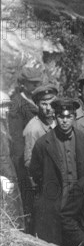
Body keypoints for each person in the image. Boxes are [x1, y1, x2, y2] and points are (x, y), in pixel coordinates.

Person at [30, 99, 84, 246]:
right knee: (55, 245)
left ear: (74, 117)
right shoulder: (43, 143)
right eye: (61, 117)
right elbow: (36, 172)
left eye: (69, 117)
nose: (65, 121)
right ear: (55, 117)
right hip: (54, 204)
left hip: (78, 205)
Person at [8, 65, 44, 229]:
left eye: (38, 83)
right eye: (32, 83)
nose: (36, 86)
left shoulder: (37, 101)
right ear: (23, 84)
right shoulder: (17, 105)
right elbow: (16, 140)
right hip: (25, 160)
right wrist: (22, 167)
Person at [0, 90, 23, 222]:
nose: (6, 109)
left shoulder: (4, 126)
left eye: (8, 106)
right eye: (3, 106)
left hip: (9, 176)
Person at [23, 84, 57, 169]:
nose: (49, 108)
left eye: (52, 104)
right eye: (44, 104)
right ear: (37, 104)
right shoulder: (33, 129)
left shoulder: (58, 120)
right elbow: (29, 163)